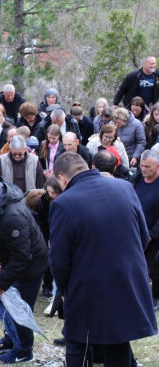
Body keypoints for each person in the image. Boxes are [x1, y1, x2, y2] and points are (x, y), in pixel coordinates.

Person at [49, 152, 158, 366]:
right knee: (117, 339)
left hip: (87, 284)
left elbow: (60, 258)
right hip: (127, 277)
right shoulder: (124, 186)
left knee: (78, 342)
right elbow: (143, 235)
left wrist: (65, 290)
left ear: (61, 178)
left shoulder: (63, 203)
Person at [0, 176, 48, 364]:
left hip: (30, 268)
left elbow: (22, 257)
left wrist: (0, 283)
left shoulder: (12, 217)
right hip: (14, 261)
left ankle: (23, 350)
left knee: (19, 308)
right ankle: (10, 339)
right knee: (7, 306)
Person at [130, 150, 159, 311]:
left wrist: (151, 234)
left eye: (147, 166)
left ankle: (156, 297)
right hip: (135, 231)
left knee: (155, 268)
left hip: (154, 235)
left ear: (157, 166)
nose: (144, 168)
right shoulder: (137, 178)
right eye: (141, 165)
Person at [37, 176, 63, 300]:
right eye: (49, 192)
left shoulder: (66, 199)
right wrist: (46, 237)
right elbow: (42, 220)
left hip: (62, 232)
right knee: (49, 259)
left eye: (54, 192)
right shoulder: (44, 199)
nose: (52, 195)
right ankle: (47, 286)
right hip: (49, 231)